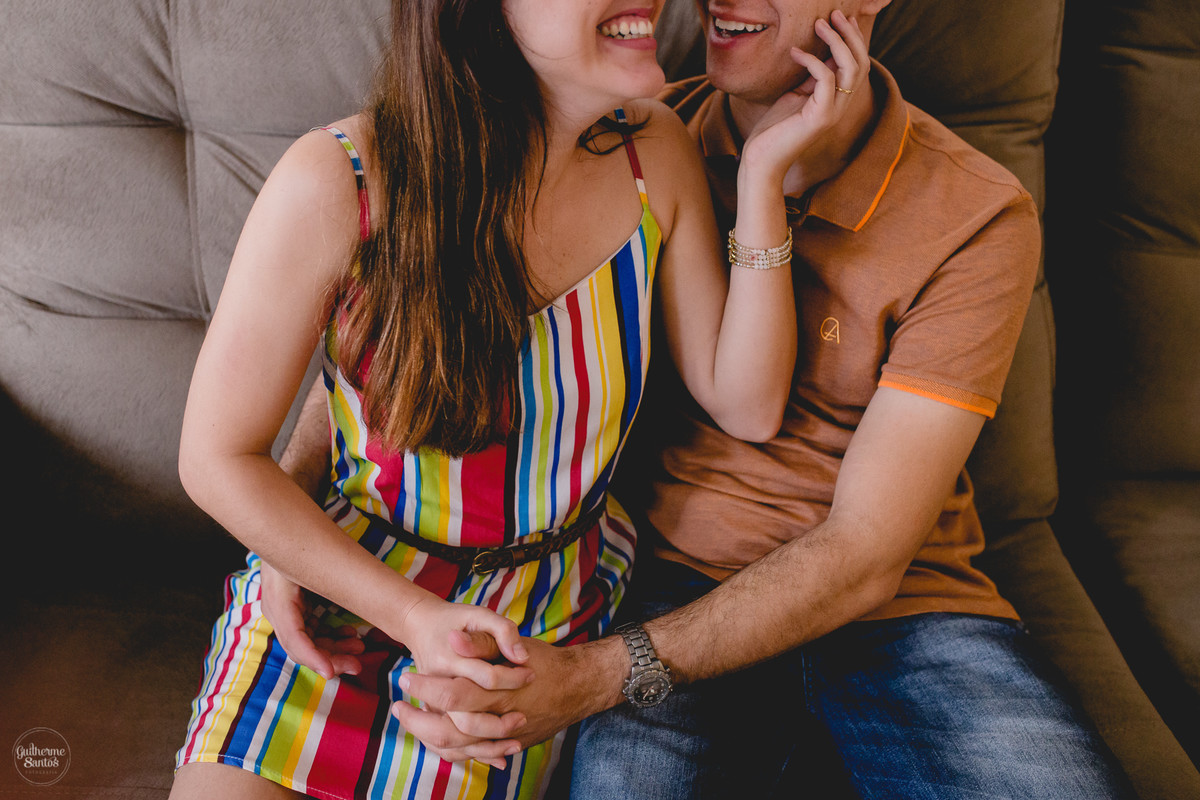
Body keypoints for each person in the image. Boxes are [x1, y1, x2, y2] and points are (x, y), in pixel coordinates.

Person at [262, 1, 1139, 797]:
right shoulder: (623, 132)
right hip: (663, 586)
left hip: (904, 611)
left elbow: (867, 550)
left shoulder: (975, 212)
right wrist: (296, 524)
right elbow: (416, 328)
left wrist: (597, 677)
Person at [169, 1, 871, 798]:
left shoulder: (654, 155)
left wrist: (762, 180)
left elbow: (747, 404)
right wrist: (407, 615)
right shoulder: (338, 178)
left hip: (532, 623)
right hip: (344, 596)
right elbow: (217, 457)